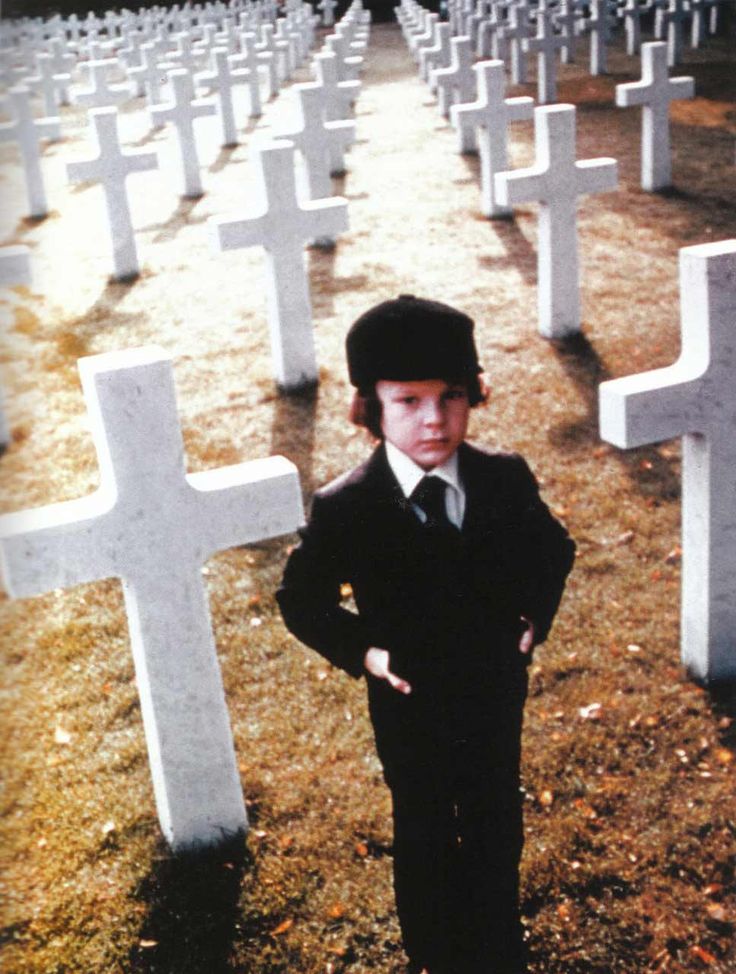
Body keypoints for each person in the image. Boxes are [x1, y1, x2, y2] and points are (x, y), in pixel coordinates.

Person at [276, 295, 576, 973]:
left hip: (494, 688)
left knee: (495, 816)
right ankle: (436, 951)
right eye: (408, 400)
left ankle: (499, 942)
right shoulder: (346, 506)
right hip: (409, 702)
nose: (434, 419)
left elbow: (552, 548)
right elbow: (301, 600)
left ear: (474, 396)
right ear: (371, 408)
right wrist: (368, 653)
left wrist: (533, 615)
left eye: (452, 396)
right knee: (425, 828)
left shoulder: (502, 478)